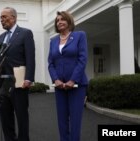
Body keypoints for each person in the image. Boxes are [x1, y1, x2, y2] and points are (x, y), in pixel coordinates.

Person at [48, 11, 88, 141]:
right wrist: (56, 79)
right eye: (57, 20)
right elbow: (50, 63)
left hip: (77, 85)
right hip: (60, 86)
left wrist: (72, 80)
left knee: (75, 120)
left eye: (62, 19)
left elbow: (82, 60)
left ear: (69, 21)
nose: (59, 22)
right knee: (62, 120)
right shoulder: (53, 41)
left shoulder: (79, 36)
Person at [0, 7, 35, 141]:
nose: (2, 20)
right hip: (3, 83)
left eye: (4, 17)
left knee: (21, 116)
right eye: (0, 18)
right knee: (5, 116)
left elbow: (30, 57)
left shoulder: (25, 33)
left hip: (19, 82)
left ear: (13, 17)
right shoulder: (0, 37)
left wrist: (29, 78)